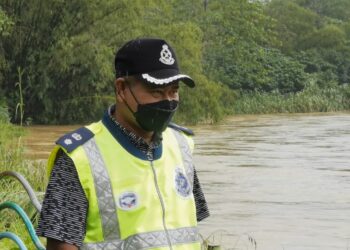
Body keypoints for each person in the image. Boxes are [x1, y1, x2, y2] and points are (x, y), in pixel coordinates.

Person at [36, 38, 210, 250]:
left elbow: (191, 227)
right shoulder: (80, 156)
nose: (167, 101)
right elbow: (61, 243)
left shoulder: (182, 144)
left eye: (173, 90)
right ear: (121, 89)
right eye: (156, 92)